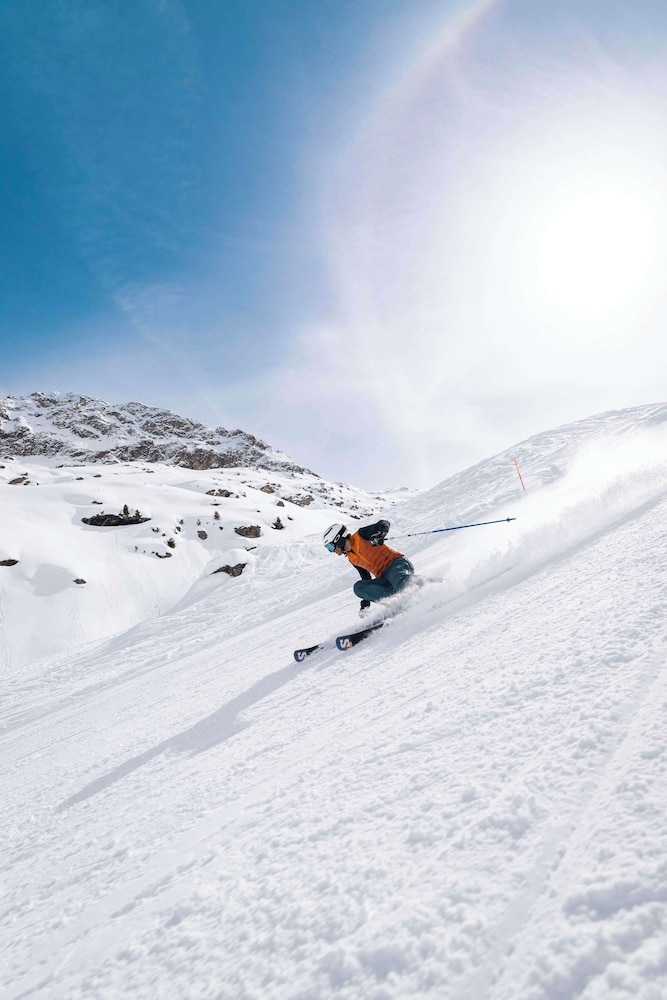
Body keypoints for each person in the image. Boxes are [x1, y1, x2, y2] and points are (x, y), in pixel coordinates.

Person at [323, 520, 415, 615]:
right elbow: (366, 578)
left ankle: (414, 594)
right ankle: (396, 602)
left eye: (330, 547)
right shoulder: (351, 558)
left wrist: (380, 534)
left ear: (338, 540)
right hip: (383, 578)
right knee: (358, 587)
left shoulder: (361, 535)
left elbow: (384, 523)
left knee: (400, 583)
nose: (332, 551)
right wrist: (366, 601)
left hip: (395, 564)